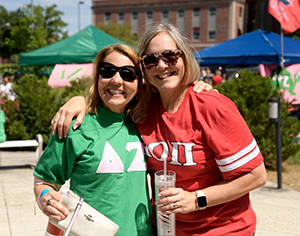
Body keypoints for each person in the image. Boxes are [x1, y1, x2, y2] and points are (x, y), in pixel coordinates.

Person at [51, 23, 266, 236]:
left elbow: (256, 176)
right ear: (143, 68)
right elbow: (112, 96)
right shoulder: (142, 107)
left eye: (170, 57)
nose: (161, 66)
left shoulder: (211, 107)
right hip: (167, 230)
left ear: (184, 58)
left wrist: (195, 199)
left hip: (222, 230)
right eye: (151, 60)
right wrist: (80, 101)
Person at [33, 44, 153, 236]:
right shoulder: (74, 126)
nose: (116, 80)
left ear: (139, 83)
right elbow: (45, 181)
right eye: (108, 71)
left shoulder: (146, 123)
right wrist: (45, 199)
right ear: (98, 77)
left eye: (128, 74)